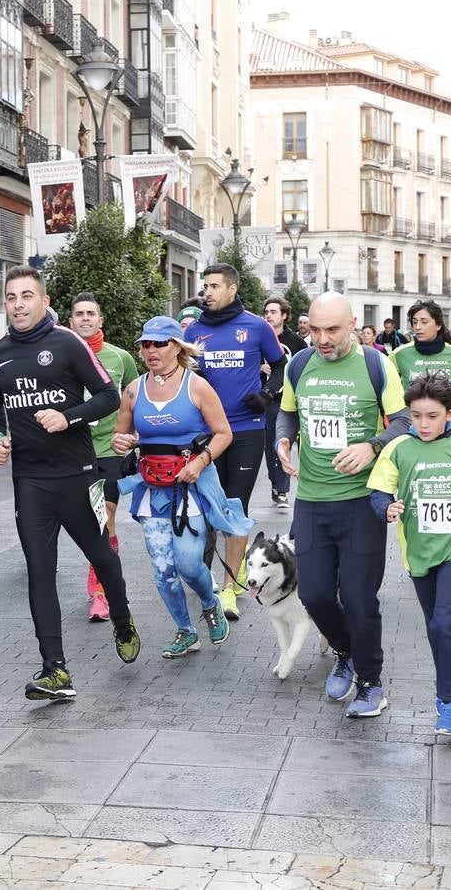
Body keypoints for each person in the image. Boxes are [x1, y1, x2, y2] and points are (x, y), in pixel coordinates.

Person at [0, 266, 141, 701]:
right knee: (39, 573)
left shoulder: (67, 343)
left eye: (27, 296)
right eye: (11, 297)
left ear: (44, 301)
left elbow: (108, 396)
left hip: (78, 476)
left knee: (102, 559)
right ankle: (55, 669)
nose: (18, 304)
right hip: (30, 482)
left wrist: (68, 416)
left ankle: (122, 619)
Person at [276, 293, 410, 717]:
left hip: (360, 502)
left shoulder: (376, 364)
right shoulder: (298, 364)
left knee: (358, 598)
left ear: (352, 324)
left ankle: (371, 683)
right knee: (314, 596)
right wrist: (283, 438)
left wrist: (372, 446)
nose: (321, 339)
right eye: (314, 330)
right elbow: (288, 413)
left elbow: (404, 422)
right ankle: (347, 653)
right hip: (312, 501)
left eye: (331, 330)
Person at [367, 373, 451, 737]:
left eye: (432, 416)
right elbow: (379, 491)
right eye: (416, 416)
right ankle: (447, 692)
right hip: (420, 549)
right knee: (436, 625)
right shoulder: (398, 449)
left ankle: (450, 704)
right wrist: (386, 509)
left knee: (445, 621)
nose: (423, 424)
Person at [112, 316, 253, 657]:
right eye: (145, 344)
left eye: (159, 343)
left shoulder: (197, 386)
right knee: (162, 569)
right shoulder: (134, 390)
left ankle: (210, 603)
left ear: (177, 346)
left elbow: (224, 434)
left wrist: (200, 462)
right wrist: (124, 442)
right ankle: (185, 630)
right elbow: (122, 435)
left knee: (189, 563)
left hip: (189, 486)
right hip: (153, 488)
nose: (151, 350)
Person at [183, 264, 287, 619]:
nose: (207, 292)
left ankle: (229, 590)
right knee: (207, 508)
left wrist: (267, 395)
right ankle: (206, 579)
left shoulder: (256, 326)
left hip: (246, 429)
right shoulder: (195, 329)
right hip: (208, 431)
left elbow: (281, 367)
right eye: (205, 286)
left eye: (214, 286)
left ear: (232, 289)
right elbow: (187, 376)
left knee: (235, 507)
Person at [69, 293, 139, 621]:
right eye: (79, 314)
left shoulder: (121, 358)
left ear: (100, 321)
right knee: (90, 519)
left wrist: (134, 436)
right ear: (70, 321)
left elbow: (135, 399)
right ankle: (99, 570)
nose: (85, 318)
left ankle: (101, 590)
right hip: (73, 452)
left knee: (105, 514)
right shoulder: (61, 357)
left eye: (91, 314)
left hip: (110, 450)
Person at [262, 297, 306, 510]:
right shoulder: (260, 338)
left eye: (273, 312)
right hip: (266, 401)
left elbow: (305, 367)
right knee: (269, 446)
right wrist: (261, 369)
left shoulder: (296, 341)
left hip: (289, 401)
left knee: (283, 442)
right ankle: (276, 485)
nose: (268, 315)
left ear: (284, 315)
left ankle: (282, 489)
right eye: (266, 312)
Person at [390, 300, 451, 389]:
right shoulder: (398, 354)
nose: (418, 327)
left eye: (424, 322)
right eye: (414, 322)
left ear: (438, 325)